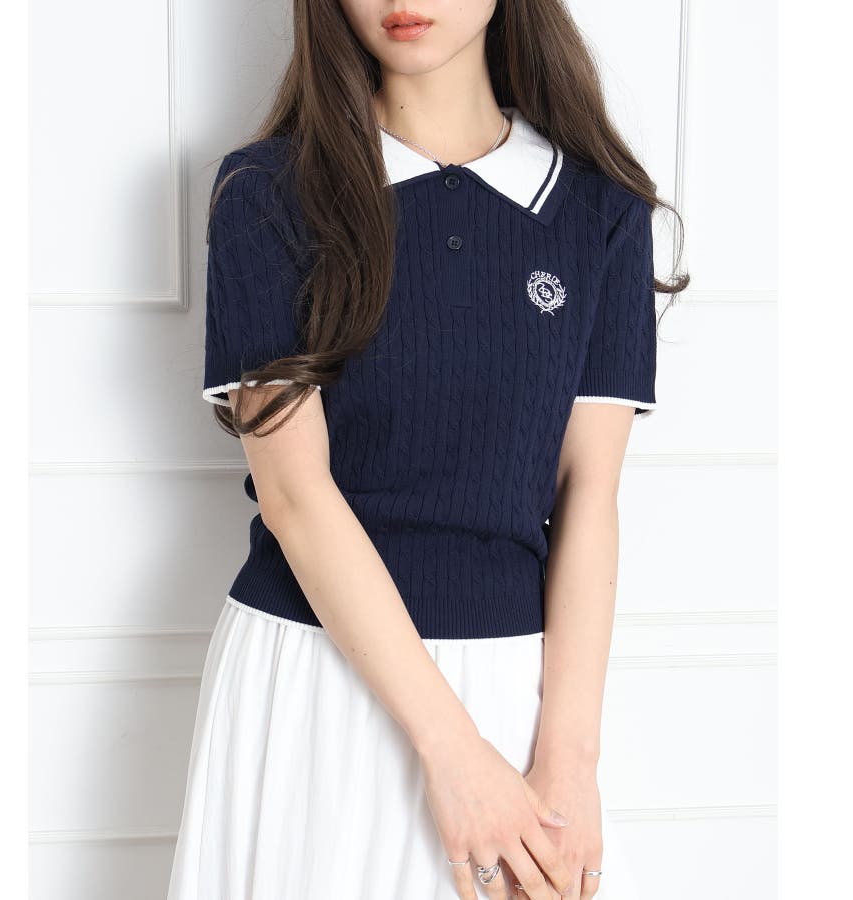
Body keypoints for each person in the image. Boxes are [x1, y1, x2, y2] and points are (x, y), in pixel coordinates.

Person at [167, 2, 688, 898]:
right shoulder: (268, 193)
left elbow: (588, 497)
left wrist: (570, 765)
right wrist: (453, 755)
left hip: (515, 690)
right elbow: (295, 496)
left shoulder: (600, 210)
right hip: (316, 674)